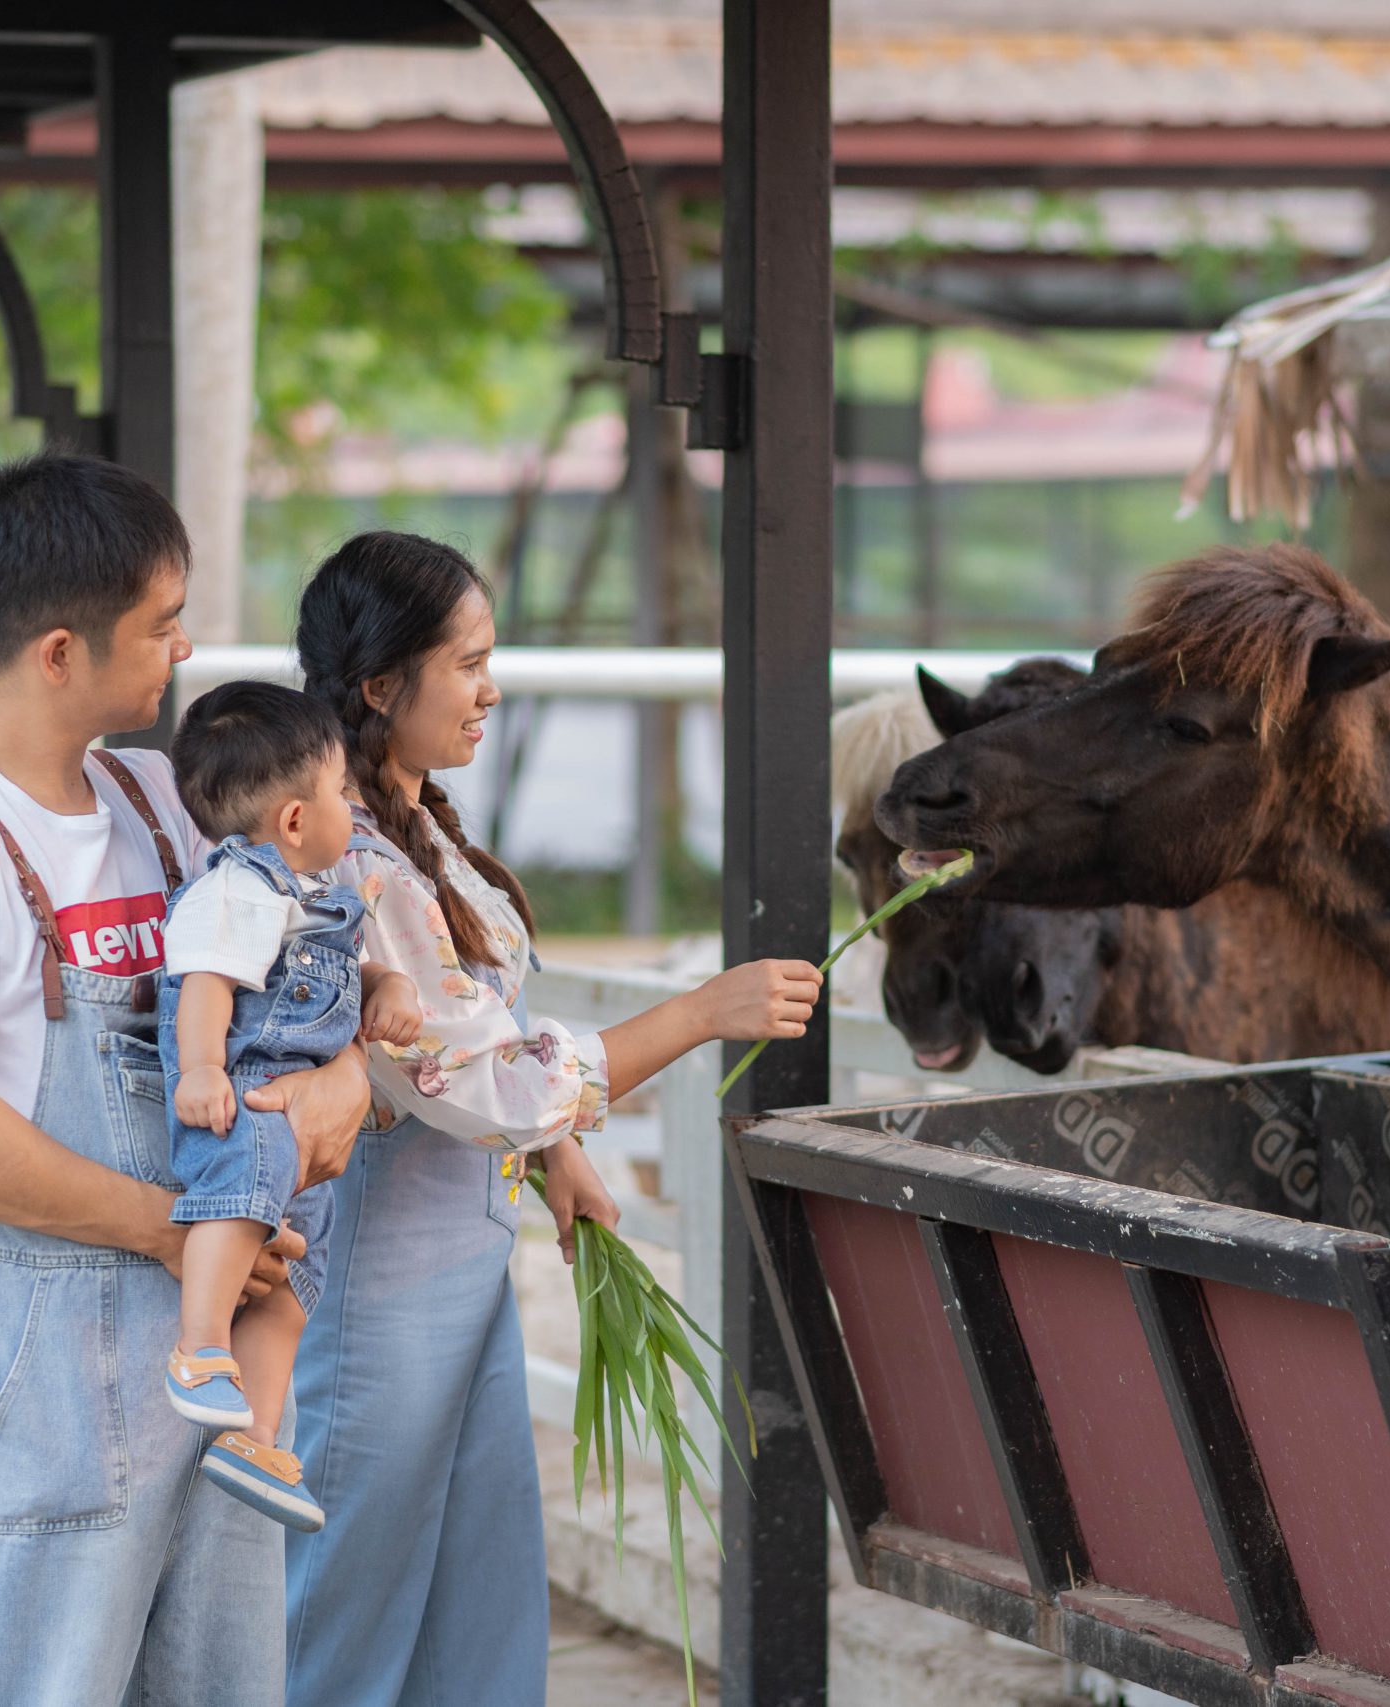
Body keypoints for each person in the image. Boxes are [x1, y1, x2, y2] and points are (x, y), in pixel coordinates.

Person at [0, 452, 371, 1707]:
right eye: (161, 626)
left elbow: (297, 976)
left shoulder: (161, 799)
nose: (184, 651)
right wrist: (172, 1230)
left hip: (216, 1375)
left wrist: (348, 1073)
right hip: (51, 1379)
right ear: (61, 652)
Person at [284, 531, 825, 1706]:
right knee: (344, 1615)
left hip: (463, 1278)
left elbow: (486, 1052)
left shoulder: (422, 834)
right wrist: (696, 1015)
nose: (491, 689)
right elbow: (486, 1082)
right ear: (380, 686)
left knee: (475, 1606)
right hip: (374, 1295)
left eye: (494, 657)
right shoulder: (351, 868)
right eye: (467, 664)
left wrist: (559, 1155)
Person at [157, 680, 421, 1533]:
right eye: (345, 794)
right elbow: (205, 984)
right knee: (240, 1205)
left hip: (301, 1145)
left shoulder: (323, 897)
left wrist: (389, 983)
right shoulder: (240, 890)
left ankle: (257, 1436)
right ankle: (199, 1348)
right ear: (296, 822)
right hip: (244, 1109)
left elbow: (348, 968)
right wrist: (200, 1068)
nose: (355, 808)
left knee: (294, 1284)